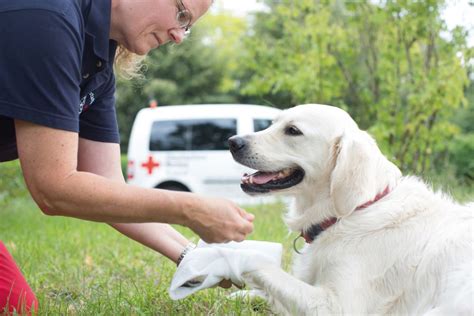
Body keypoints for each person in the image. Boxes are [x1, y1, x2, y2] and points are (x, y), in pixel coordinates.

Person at [0, 0, 254, 313]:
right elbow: (53, 188)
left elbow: (106, 182)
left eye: (187, 27)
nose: (178, 35)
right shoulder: (48, 17)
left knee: (16, 306)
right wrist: (191, 209)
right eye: (182, 14)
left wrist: (193, 255)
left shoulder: (97, 62)